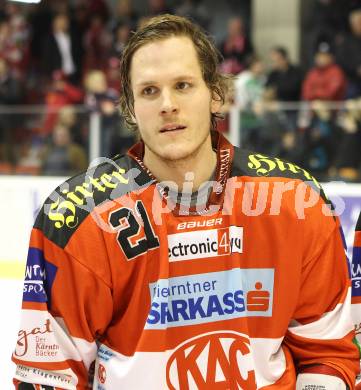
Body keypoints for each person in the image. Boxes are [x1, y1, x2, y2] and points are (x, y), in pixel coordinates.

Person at [12, 14, 358, 389]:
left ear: (215, 94)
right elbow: (49, 377)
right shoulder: (78, 218)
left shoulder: (296, 200)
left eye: (182, 85)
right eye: (148, 91)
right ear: (129, 109)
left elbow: (328, 355)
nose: (167, 105)